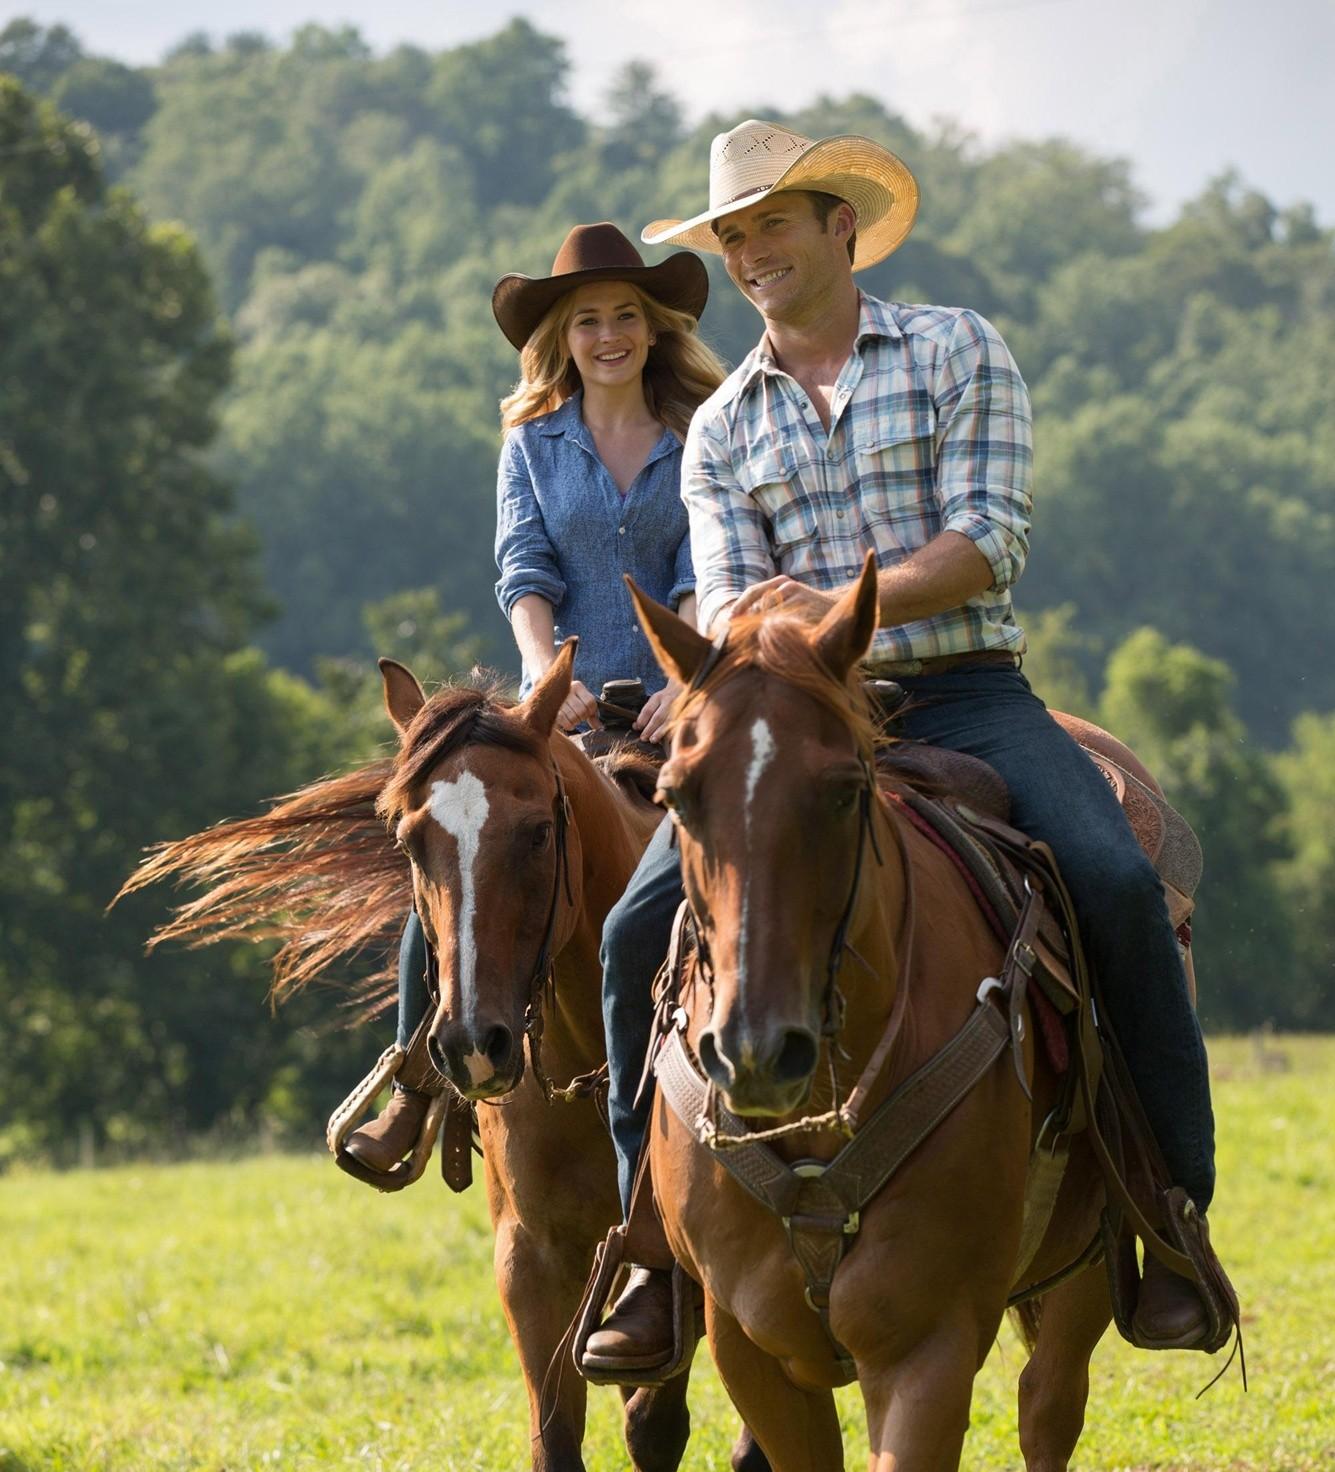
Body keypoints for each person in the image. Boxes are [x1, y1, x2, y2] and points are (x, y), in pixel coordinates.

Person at [580, 120, 1219, 1378]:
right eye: (735, 233)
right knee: (628, 935)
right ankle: (648, 1257)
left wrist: (827, 611)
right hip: (795, 719)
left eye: (775, 223)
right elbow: (720, 600)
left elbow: (988, 538)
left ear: (841, 227)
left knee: (1117, 883)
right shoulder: (721, 430)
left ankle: (1170, 1216)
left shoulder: (956, 349)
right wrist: (792, 639)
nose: (753, 251)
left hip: (964, 694)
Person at [343, 224, 725, 1177]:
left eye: (626, 316)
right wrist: (551, 675)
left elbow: (699, 565)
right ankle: (412, 1086)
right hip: (562, 702)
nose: (609, 335)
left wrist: (682, 680)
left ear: (654, 328)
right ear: (561, 337)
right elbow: (524, 569)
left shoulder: (699, 434)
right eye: (588, 319)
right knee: (456, 863)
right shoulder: (531, 443)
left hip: (678, 696)